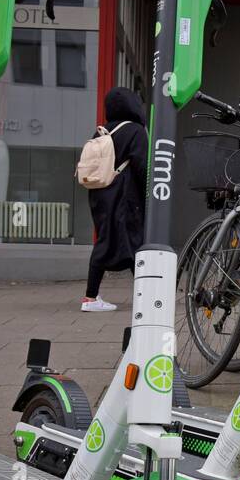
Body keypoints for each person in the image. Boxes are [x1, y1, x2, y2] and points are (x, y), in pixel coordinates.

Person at [81, 86, 147, 311]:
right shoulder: (136, 131)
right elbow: (142, 166)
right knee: (134, 244)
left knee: (107, 240)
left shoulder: (101, 131)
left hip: (99, 194)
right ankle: (144, 298)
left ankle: (92, 296)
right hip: (124, 195)